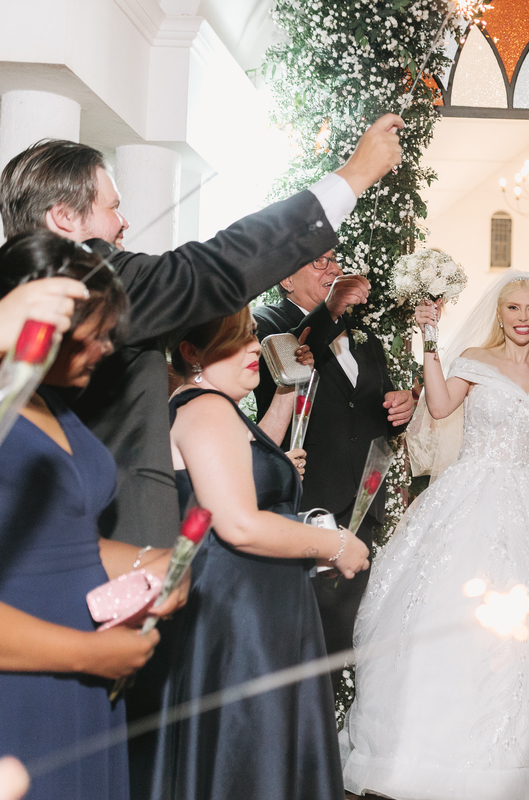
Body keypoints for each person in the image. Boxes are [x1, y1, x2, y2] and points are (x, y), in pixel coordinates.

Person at [0, 114, 407, 549]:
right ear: (63, 217)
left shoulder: (21, 286)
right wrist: (353, 176)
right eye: (112, 207)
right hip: (108, 547)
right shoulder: (84, 281)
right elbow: (210, 269)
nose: (124, 222)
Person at [340, 272, 529, 800]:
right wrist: (430, 341)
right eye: (514, 308)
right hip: (470, 495)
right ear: (500, 313)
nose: (524, 318)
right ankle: (426, 747)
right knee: (452, 612)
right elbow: (440, 407)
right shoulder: (474, 360)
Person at [133, 308, 369, 800]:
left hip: (245, 603)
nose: (253, 348)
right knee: (252, 758)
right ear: (191, 352)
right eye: (236, 340)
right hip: (242, 615)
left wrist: (284, 392)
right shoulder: (207, 409)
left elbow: (244, 468)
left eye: (253, 336)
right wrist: (335, 544)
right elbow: (239, 525)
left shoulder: (205, 406)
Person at [0, 231, 178, 800]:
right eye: (93, 335)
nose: (105, 348)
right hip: (19, 680)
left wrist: (153, 563)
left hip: (86, 675)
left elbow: (66, 542)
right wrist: (88, 653)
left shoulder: (48, 400)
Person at [252, 248, 412, 688]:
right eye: (318, 261)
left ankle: (332, 721)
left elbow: (371, 411)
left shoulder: (364, 338)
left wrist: (402, 407)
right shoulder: (267, 323)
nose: (334, 268)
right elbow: (286, 359)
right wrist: (329, 310)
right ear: (286, 278)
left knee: (343, 638)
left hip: (362, 502)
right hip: (308, 502)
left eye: (335, 259)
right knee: (302, 640)